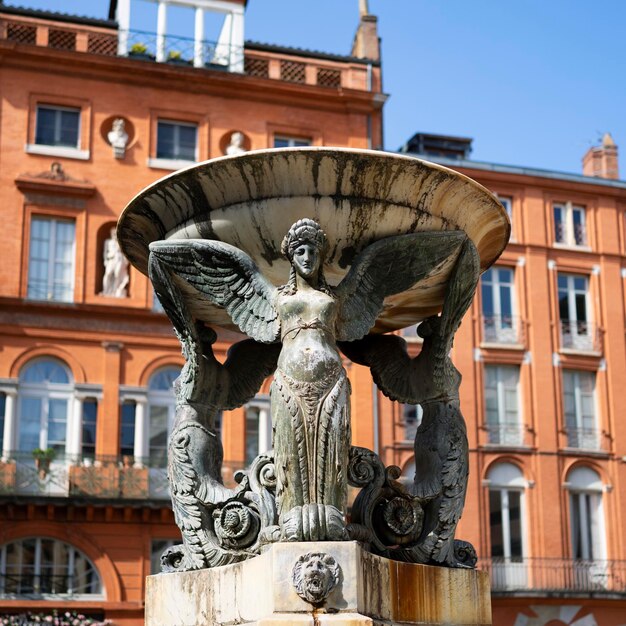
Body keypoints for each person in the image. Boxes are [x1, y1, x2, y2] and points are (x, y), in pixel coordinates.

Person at [101, 227, 129, 297]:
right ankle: (106, 290)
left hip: (119, 259)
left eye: (115, 234)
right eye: (113, 233)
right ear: (111, 234)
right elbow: (105, 252)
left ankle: (114, 291)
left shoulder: (119, 242)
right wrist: (105, 260)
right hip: (111, 259)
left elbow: (124, 252)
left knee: (117, 275)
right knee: (108, 274)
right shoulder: (108, 242)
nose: (114, 235)